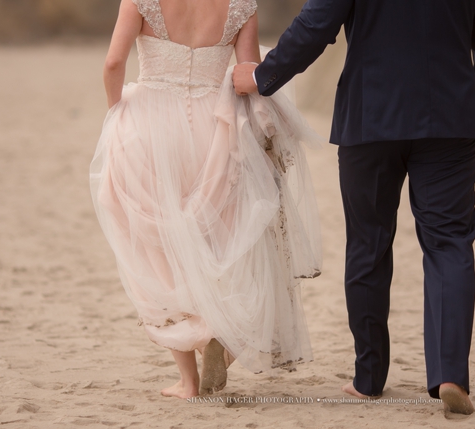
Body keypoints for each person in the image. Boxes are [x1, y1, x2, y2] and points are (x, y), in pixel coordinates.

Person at [233, 0, 475, 415]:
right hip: (450, 117)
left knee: (368, 244)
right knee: (449, 243)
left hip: (371, 116)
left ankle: (369, 379)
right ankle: (451, 374)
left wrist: (262, 75)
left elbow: (317, 25)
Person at [90, 0, 324, 399]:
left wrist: (117, 115)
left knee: (161, 247)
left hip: (149, 127)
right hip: (215, 127)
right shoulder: (240, 5)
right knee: (217, 238)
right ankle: (217, 330)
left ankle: (188, 380)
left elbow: (114, 63)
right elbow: (247, 75)